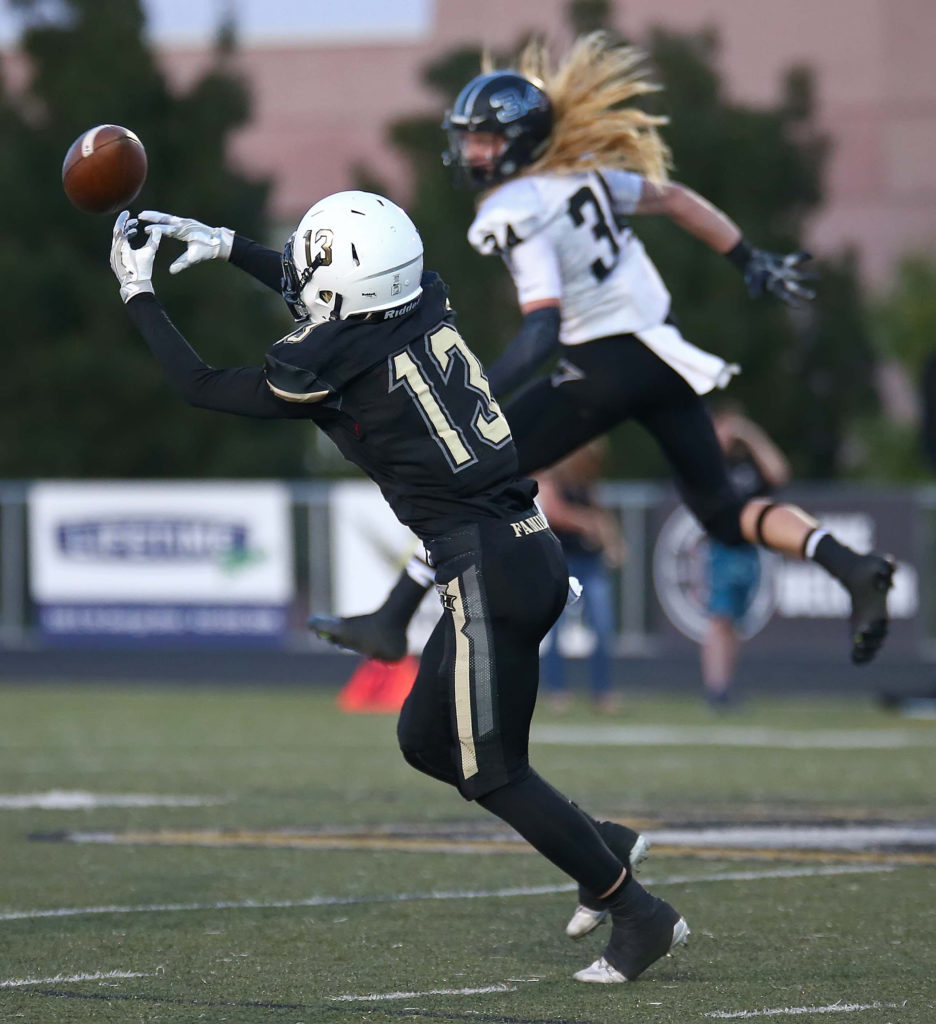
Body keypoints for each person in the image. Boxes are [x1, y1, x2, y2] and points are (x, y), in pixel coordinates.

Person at [111, 190, 688, 983]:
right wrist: (229, 244)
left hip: (491, 569)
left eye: (314, 264)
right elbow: (338, 287)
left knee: (493, 770)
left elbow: (201, 383)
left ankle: (636, 911)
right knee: (424, 741)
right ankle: (603, 847)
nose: (302, 274)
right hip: (511, 553)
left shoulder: (328, 362)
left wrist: (137, 292)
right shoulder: (422, 299)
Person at [306, 31, 895, 673]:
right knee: (724, 513)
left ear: (521, 141)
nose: (472, 151)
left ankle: (393, 620)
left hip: (602, 365)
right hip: (662, 357)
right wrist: (745, 257)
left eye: (485, 138)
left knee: (470, 474)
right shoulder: (581, 176)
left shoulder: (514, 206)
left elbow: (543, 328)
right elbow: (673, 198)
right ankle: (851, 565)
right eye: (469, 137)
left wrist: (474, 394)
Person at [701, 404, 791, 709]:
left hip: (749, 551)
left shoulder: (747, 464)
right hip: (721, 549)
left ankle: (725, 685)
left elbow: (779, 472)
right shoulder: (710, 464)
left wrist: (750, 436)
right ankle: (715, 688)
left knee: (734, 622)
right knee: (719, 618)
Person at [536, 439, 624, 712]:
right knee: (555, 628)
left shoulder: (589, 484)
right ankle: (557, 690)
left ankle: (602, 691)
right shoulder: (553, 478)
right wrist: (587, 524)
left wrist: (613, 542)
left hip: (590, 562)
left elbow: (601, 516)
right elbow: (554, 512)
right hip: (563, 561)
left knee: (602, 627)